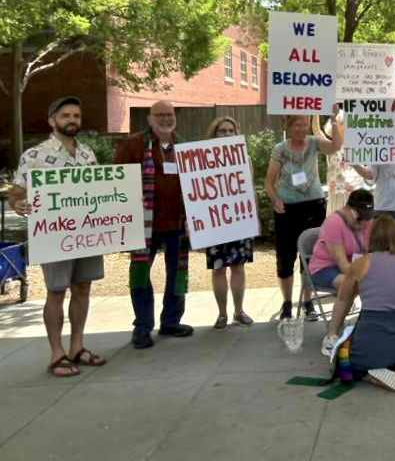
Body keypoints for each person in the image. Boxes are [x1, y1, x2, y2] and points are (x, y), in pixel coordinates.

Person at [9, 97, 107, 376]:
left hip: (87, 233)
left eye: (76, 115)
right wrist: (19, 205)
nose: (72, 120)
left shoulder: (87, 154)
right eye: (65, 115)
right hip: (54, 236)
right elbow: (16, 195)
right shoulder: (34, 156)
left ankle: (77, 347)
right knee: (56, 291)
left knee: (83, 287)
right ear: (52, 120)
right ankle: (56, 353)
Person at [114, 100, 192, 349]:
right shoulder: (134, 145)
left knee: (177, 274)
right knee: (139, 275)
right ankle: (142, 327)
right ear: (149, 119)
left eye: (169, 114)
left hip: (177, 224)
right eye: (159, 115)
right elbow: (116, 179)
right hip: (144, 225)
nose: (165, 119)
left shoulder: (184, 147)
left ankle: (170, 321)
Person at [324, 215, 395, 392]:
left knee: (344, 363)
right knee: (389, 348)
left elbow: (343, 298)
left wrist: (333, 332)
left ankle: (369, 374)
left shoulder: (360, 264)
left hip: (371, 340)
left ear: (371, 237)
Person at [264, 109, 344, 321]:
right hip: (287, 209)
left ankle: (308, 302)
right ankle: (287, 302)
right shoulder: (280, 149)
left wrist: (334, 121)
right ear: (289, 127)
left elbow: (336, 146)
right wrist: (275, 199)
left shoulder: (314, 143)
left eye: (305, 124)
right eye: (297, 125)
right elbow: (268, 182)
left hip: (313, 205)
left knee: (310, 255)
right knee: (285, 256)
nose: (301, 129)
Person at [204, 117, 257, 330]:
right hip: (214, 221)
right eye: (222, 131)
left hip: (239, 219)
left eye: (230, 131)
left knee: (238, 267)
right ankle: (222, 314)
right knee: (218, 269)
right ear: (214, 134)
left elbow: (250, 189)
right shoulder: (203, 160)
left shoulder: (245, 159)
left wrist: (254, 218)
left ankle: (239, 311)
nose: (227, 134)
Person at [310, 189, 375, 355]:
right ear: (348, 209)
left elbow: (370, 253)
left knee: (372, 283)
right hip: (324, 268)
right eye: (359, 218)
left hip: (355, 266)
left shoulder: (368, 222)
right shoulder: (333, 223)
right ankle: (331, 336)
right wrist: (364, 278)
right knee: (351, 284)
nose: (363, 223)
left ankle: (370, 329)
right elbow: (341, 262)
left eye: (366, 218)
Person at [315, 110, 366, 215]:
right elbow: (316, 130)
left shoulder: (359, 145)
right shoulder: (331, 146)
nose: (347, 126)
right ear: (334, 125)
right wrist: (317, 109)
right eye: (343, 123)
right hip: (337, 197)